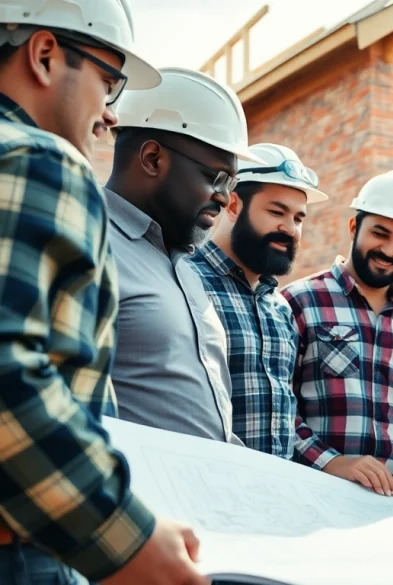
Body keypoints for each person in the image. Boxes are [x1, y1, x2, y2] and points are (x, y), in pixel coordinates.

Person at [0, 1, 209, 584]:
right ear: (45, 54)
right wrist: (127, 540)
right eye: (109, 81)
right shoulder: (33, 158)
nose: (109, 116)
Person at [104, 66, 266, 443]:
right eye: (216, 178)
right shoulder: (88, 238)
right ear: (153, 159)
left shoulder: (186, 271)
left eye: (233, 183)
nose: (226, 198)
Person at [282, 170, 393, 496]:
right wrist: (333, 463)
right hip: (315, 494)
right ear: (354, 227)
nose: (390, 250)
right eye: (380, 233)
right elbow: (277, 408)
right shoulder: (299, 302)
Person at [188, 143, 328, 458]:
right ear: (234, 205)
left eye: (298, 218)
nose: (290, 229)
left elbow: (285, 418)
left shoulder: (279, 308)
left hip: (274, 495)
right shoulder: (185, 281)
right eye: (276, 212)